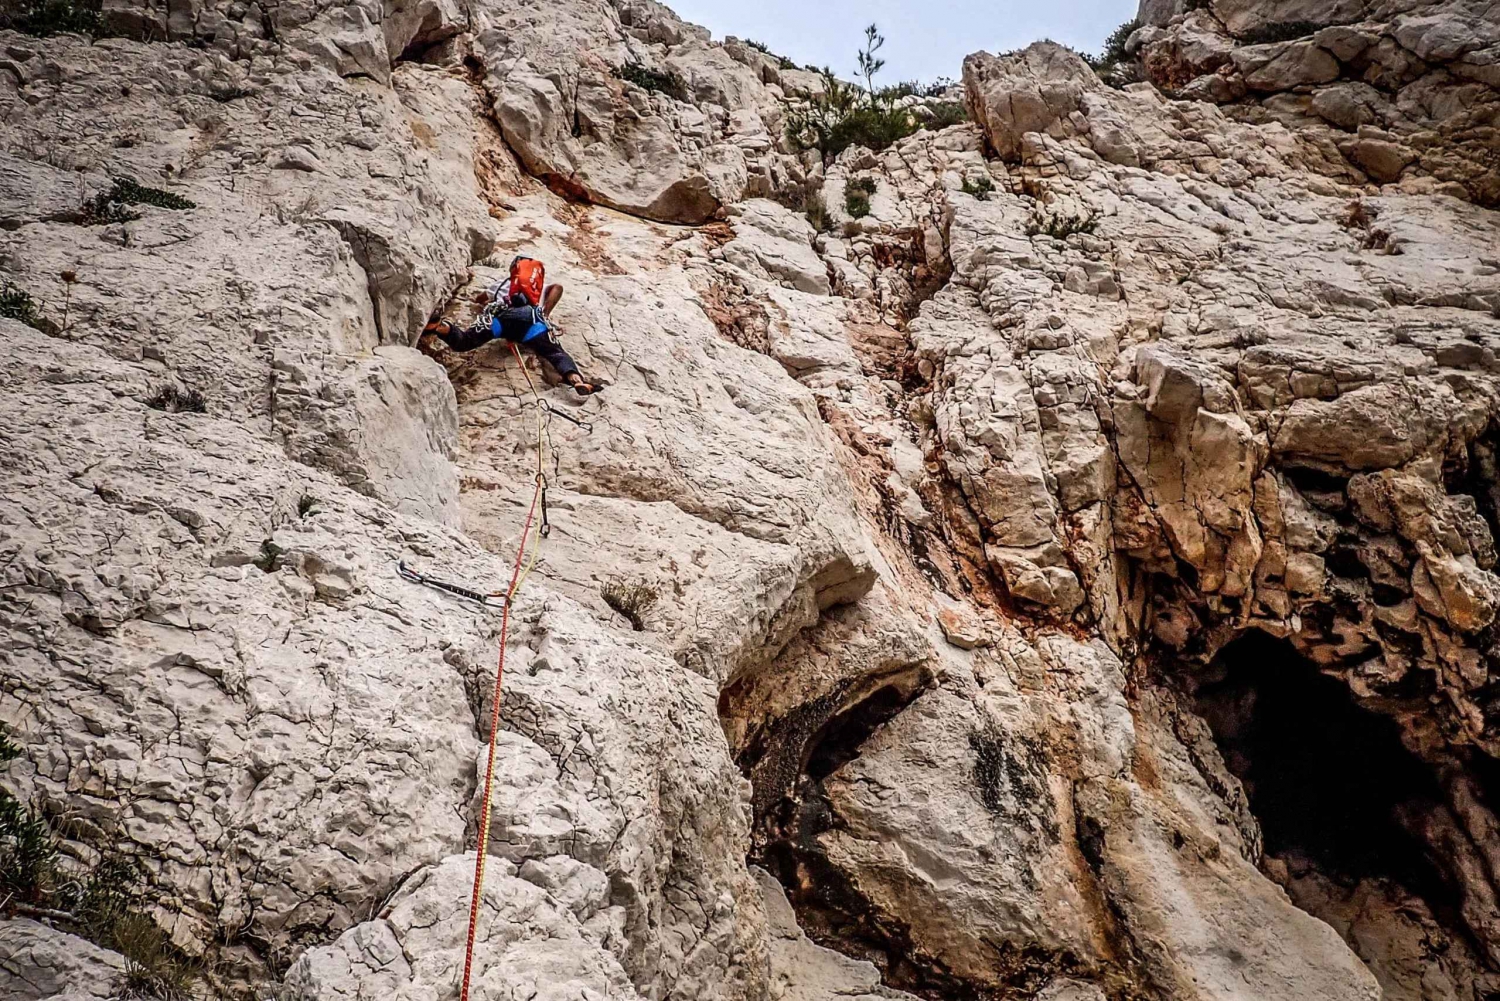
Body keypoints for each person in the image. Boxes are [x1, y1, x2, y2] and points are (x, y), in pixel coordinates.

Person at [424, 257, 606, 396]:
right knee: (555, 353)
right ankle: (576, 381)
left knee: (465, 341)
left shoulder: (501, 284)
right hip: (532, 323)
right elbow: (557, 287)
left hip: (501, 322)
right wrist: (545, 313)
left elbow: (479, 299)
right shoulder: (538, 288)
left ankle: (438, 326)